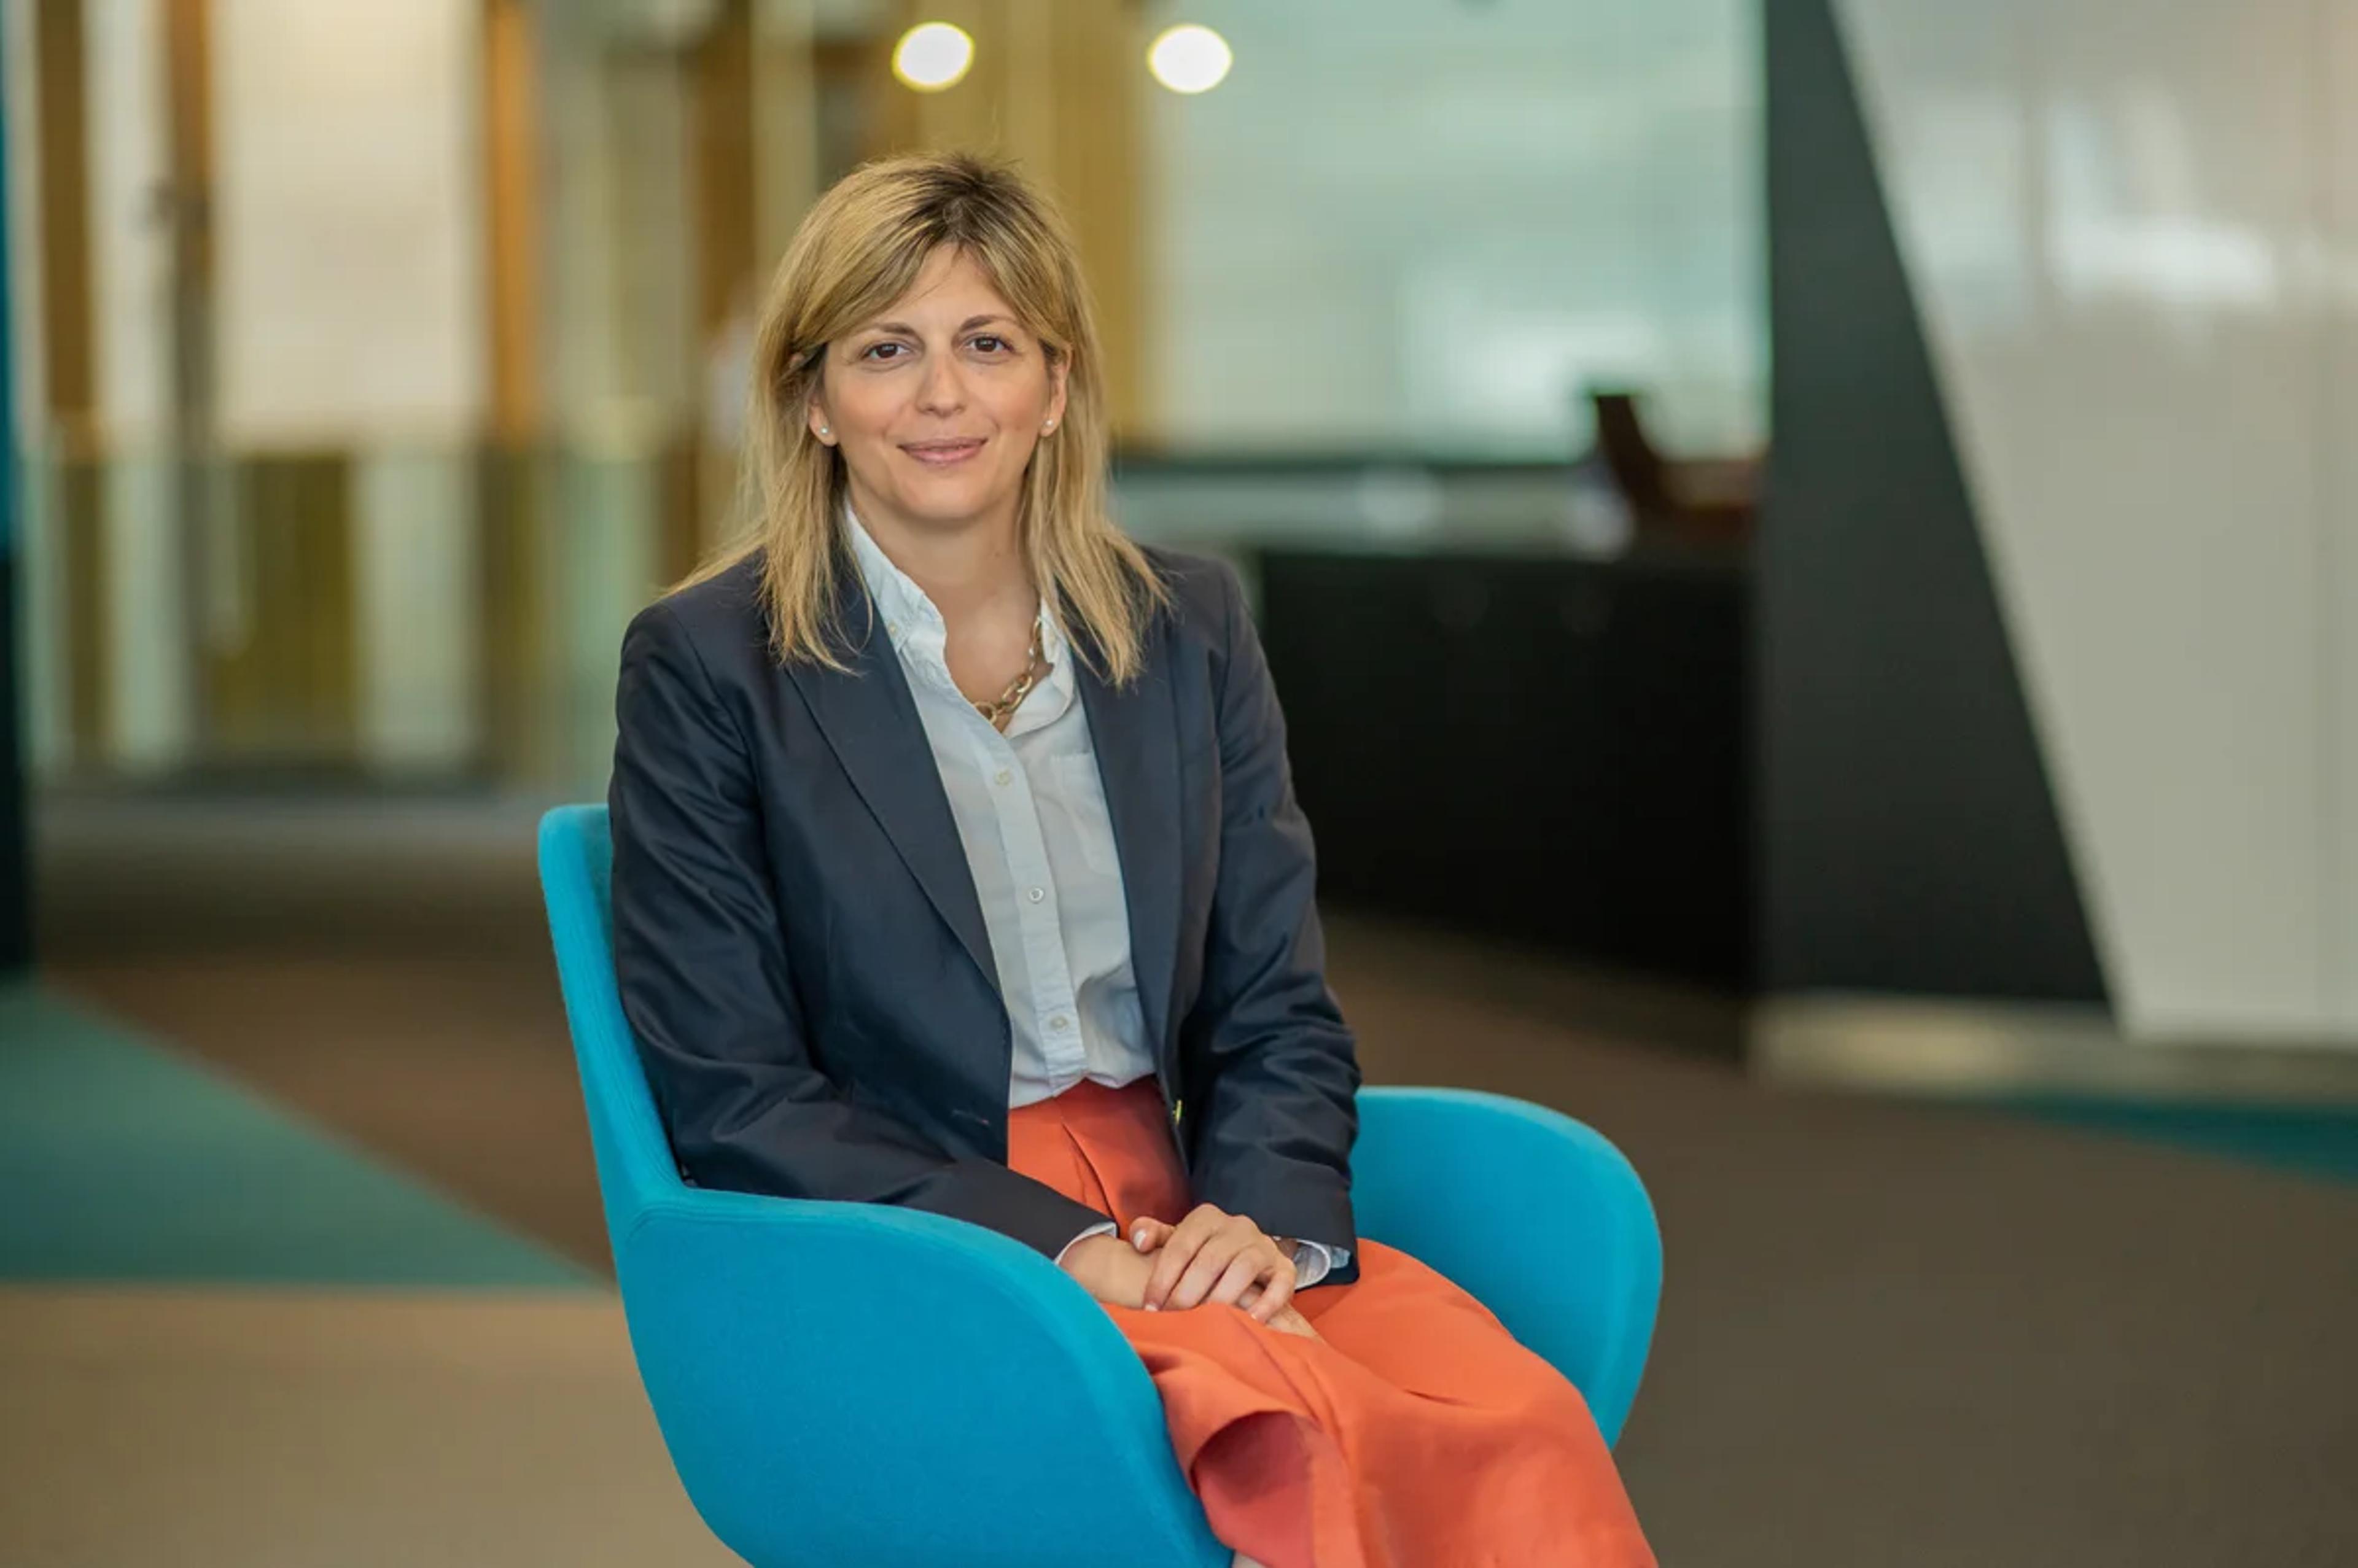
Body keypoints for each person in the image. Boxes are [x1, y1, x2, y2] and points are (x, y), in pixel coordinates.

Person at [607, 150, 1652, 1568]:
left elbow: (1274, 1008)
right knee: (1298, 1428)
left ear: (1055, 384)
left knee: (1511, 1412)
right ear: (813, 399)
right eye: (885, 350)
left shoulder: (1185, 628)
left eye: (989, 344)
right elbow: (735, 1090)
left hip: (1197, 1200)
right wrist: (1061, 1245)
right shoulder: (711, 665)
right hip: (929, 1231)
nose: (942, 395)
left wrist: (1262, 1227)